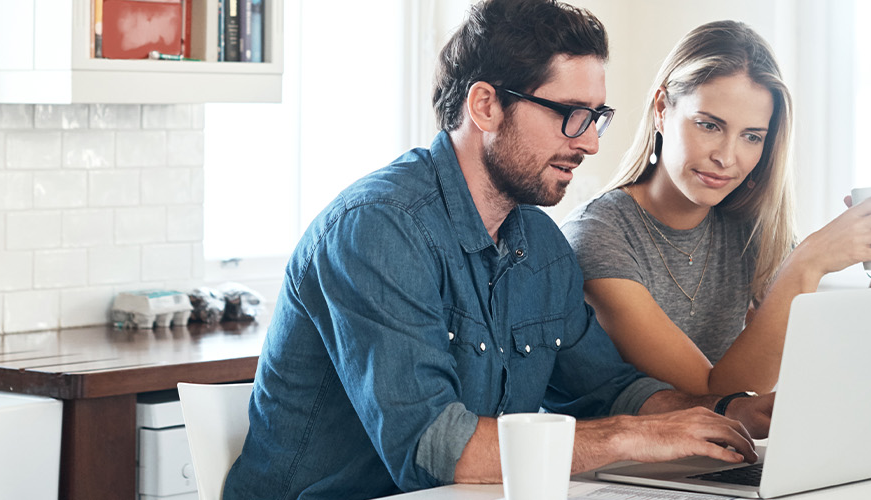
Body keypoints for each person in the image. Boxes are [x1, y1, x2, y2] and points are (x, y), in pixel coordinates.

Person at [223, 2, 777, 498]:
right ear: (486, 106)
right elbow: (433, 448)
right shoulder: (378, 229)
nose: (590, 142)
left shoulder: (540, 245)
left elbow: (609, 390)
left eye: (596, 118)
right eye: (570, 114)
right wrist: (632, 436)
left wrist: (731, 410)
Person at [560, 21, 871, 396]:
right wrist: (808, 262)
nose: (726, 157)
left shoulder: (750, 231)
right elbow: (716, 396)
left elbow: (825, 377)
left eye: (751, 136)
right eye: (709, 125)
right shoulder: (598, 235)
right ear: (661, 109)